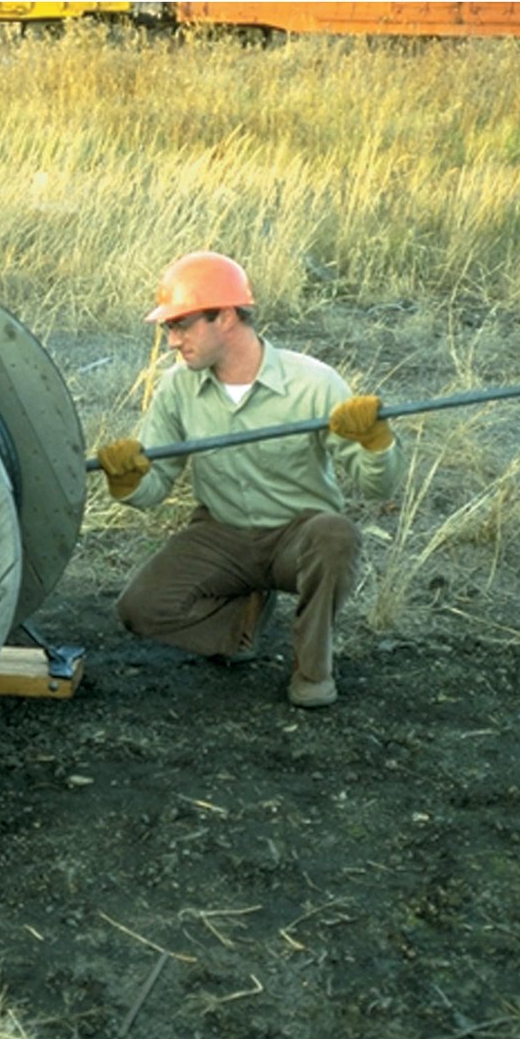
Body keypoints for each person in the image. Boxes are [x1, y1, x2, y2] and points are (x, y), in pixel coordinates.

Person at [95, 251, 401, 708]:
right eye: (169, 328)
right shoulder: (177, 387)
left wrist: (376, 444)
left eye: (181, 325)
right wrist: (128, 483)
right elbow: (156, 484)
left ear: (225, 316)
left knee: (335, 535)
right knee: (139, 609)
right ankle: (242, 624)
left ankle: (312, 671)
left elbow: (379, 488)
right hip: (222, 533)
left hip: (298, 537)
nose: (173, 341)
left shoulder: (315, 383)